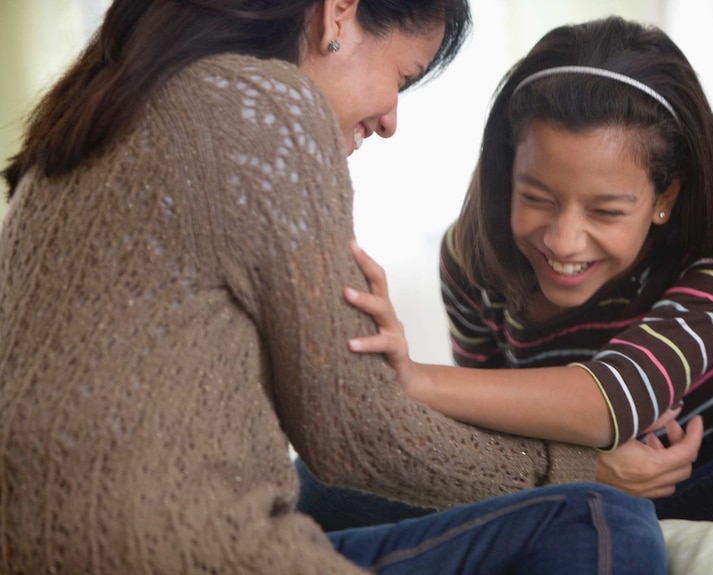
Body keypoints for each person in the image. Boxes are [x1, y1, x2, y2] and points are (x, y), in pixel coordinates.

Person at [0, 2, 672, 574]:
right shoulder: (264, 105)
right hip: (182, 552)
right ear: (339, 15)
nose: (390, 120)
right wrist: (580, 467)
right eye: (402, 76)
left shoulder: (92, 120)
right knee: (597, 520)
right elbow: (355, 430)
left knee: (314, 486)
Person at [328, 15, 713, 526]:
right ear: (508, 168)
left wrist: (413, 380)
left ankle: (606, 528)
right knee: (324, 480)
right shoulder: (470, 257)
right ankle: (597, 519)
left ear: (664, 196)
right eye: (535, 197)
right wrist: (588, 471)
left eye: (605, 212)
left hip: (704, 473)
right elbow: (485, 433)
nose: (563, 240)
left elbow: (618, 395)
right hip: (561, 478)